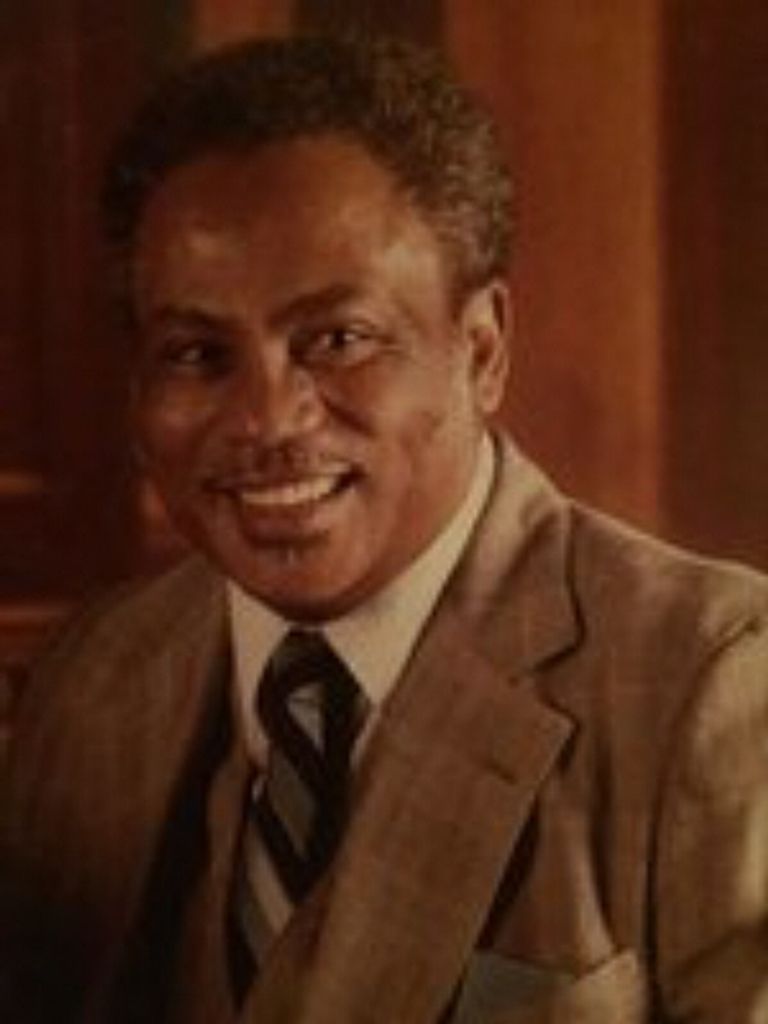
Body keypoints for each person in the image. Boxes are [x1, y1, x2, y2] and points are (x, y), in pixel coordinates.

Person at [1, 34, 767, 1024]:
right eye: (196, 353)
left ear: (482, 351)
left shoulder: (715, 687)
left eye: (338, 339)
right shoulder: (87, 682)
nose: (267, 420)